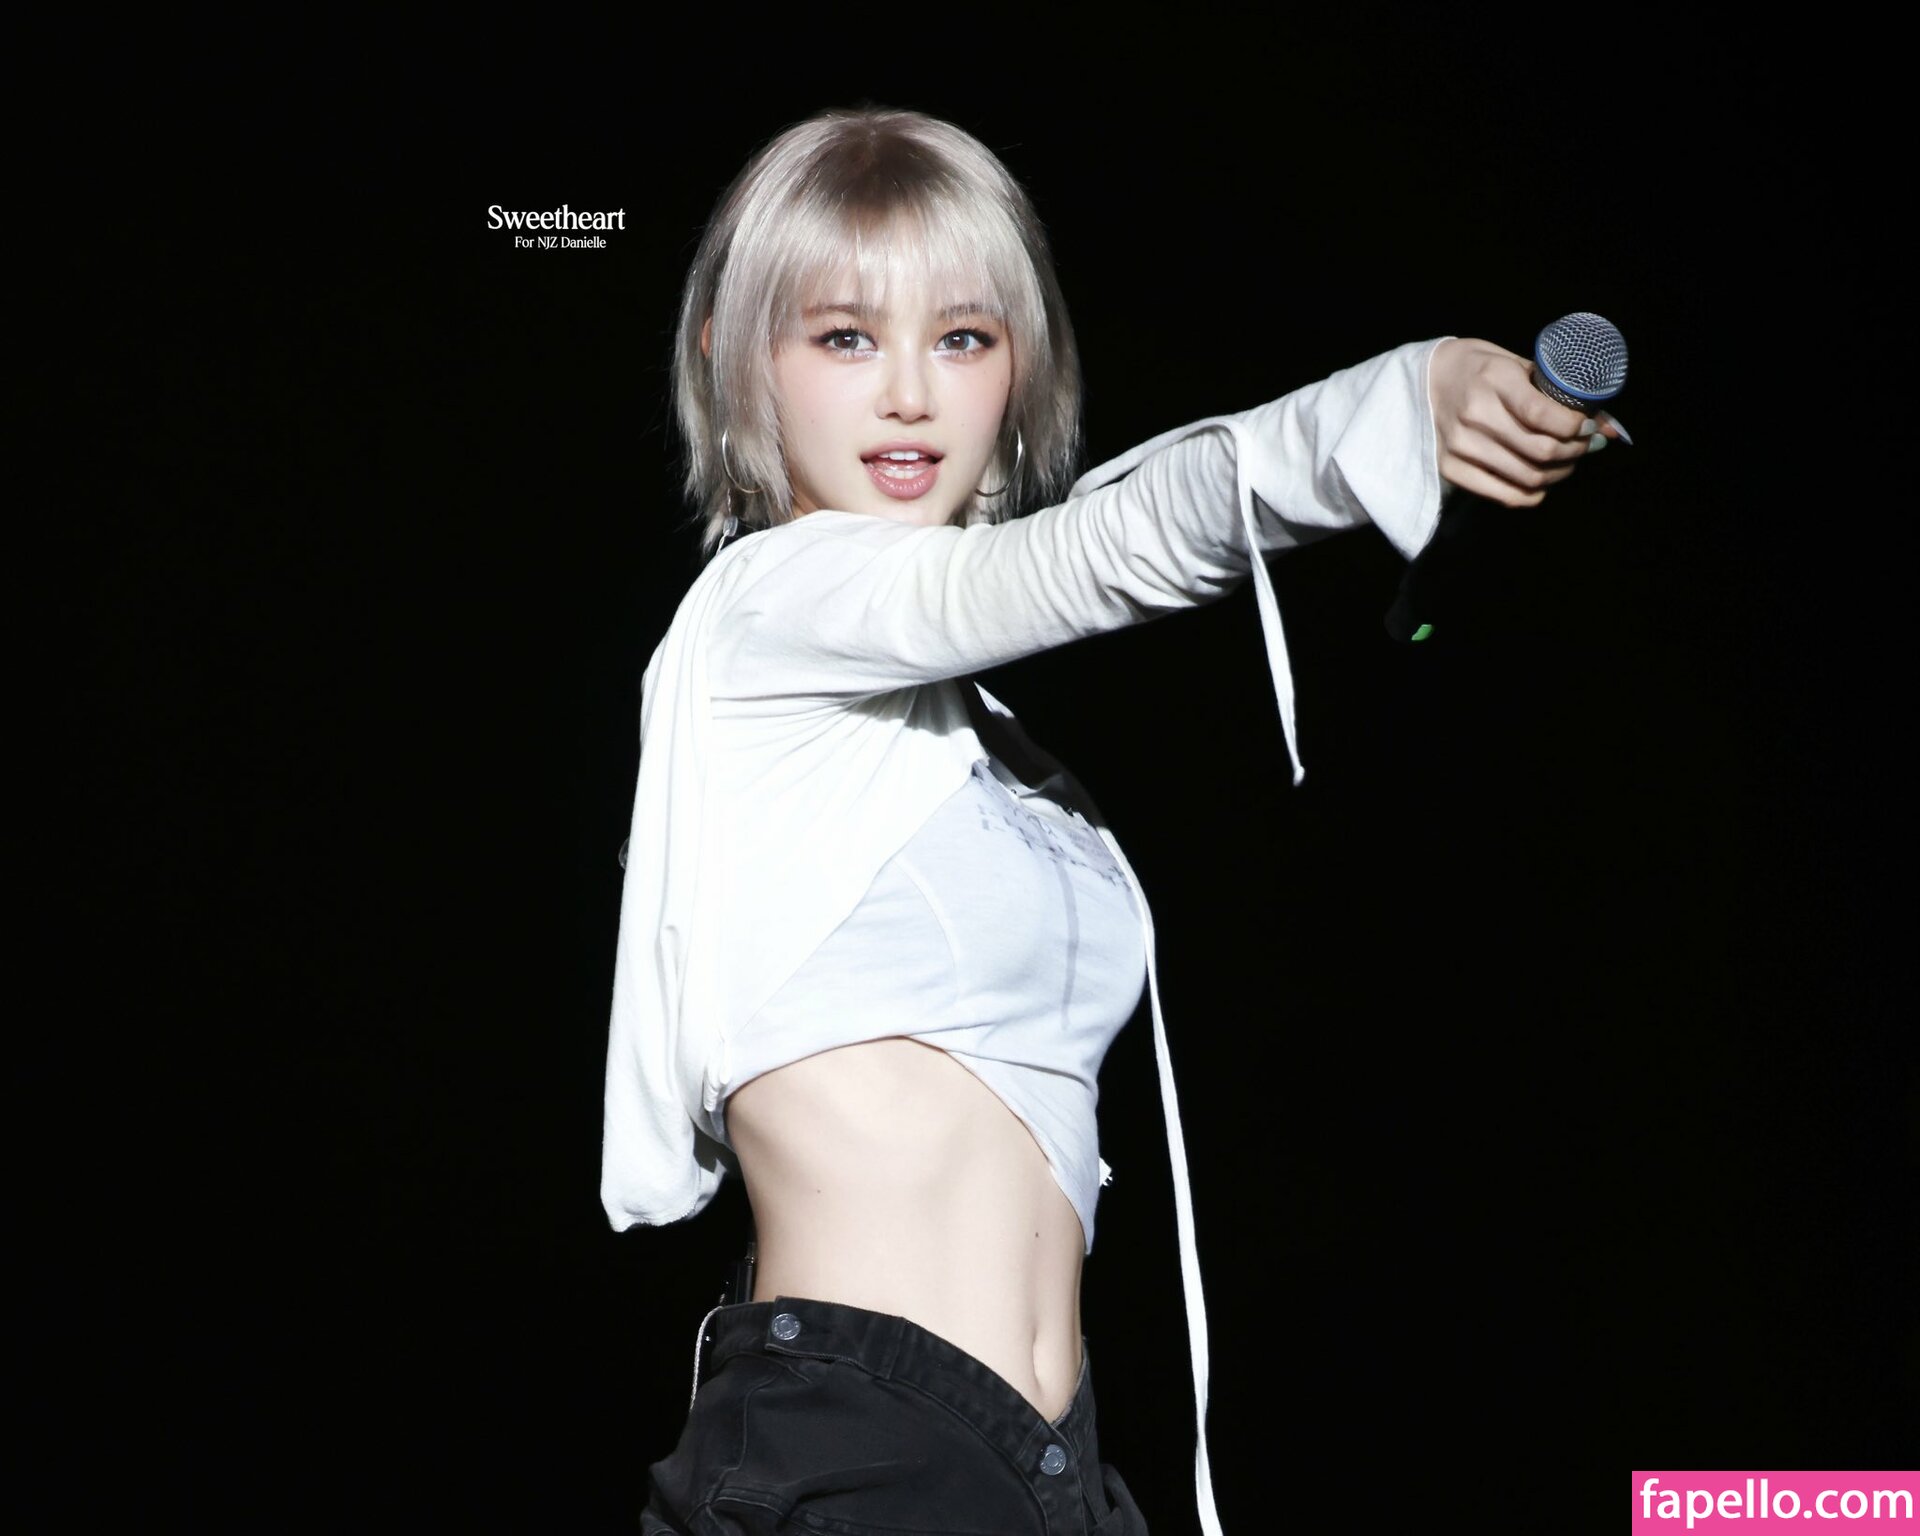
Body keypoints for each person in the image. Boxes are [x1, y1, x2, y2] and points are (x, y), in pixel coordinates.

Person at [609, 104, 1616, 1536]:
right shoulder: (760, 617)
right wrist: (1390, 408)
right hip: (860, 1446)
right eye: (844, 338)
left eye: (963, 336)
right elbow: (1093, 551)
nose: (911, 394)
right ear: (734, 358)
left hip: (1047, 1463)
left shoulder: (983, 748)